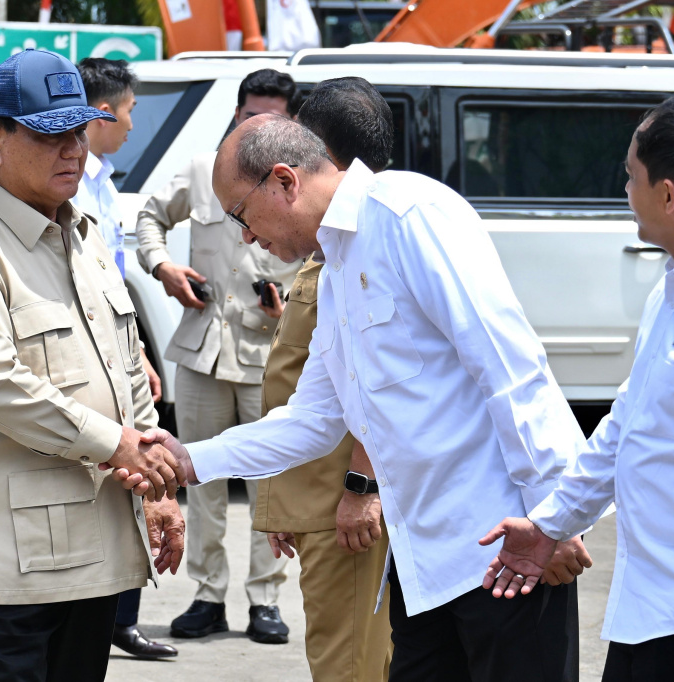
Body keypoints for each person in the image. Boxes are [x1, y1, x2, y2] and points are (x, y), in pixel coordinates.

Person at [142, 113, 592, 681]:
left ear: (284, 181)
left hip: (507, 552)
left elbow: (510, 368)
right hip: (422, 565)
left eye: (240, 214)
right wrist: (189, 459)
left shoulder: (409, 216)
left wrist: (556, 517)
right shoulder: (333, 269)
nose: (246, 237)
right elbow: (313, 419)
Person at [0, 49, 187, 681]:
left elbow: (126, 363)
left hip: (91, 546)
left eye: (79, 131)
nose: (74, 150)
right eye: (52, 135)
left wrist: (155, 482)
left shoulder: (84, 235)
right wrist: (120, 445)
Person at [480, 93, 674, 682]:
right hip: (651, 615)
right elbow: (625, 427)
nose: (624, 189)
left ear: (669, 195)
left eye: (631, 175)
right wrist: (551, 524)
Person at [134, 68, 302, 644]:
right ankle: (207, 595)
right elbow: (150, 217)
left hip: (268, 354)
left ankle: (265, 599)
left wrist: (291, 310)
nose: (259, 127)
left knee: (267, 482)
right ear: (235, 114)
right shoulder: (204, 170)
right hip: (203, 350)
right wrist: (163, 267)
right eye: (251, 115)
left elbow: (321, 264)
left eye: (273, 118)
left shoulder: (297, 184)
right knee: (197, 476)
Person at [253, 77, 395, 680]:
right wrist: (282, 497)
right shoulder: (331, 248)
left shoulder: (370, 244)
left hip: (345, 504)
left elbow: (379, 385)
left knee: (350, 665)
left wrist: (363, 487)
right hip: (318, 495)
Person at [73, 55, 176, 661]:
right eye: (130, 111)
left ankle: (121, 616)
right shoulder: (69, 181)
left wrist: (135, 348)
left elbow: (113, 277)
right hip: (83, 345)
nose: (134, 125)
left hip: (116, 339)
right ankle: (102, 612)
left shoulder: (103, 181)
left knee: (133, 465)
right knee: (114, 464)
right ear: (103, 113)